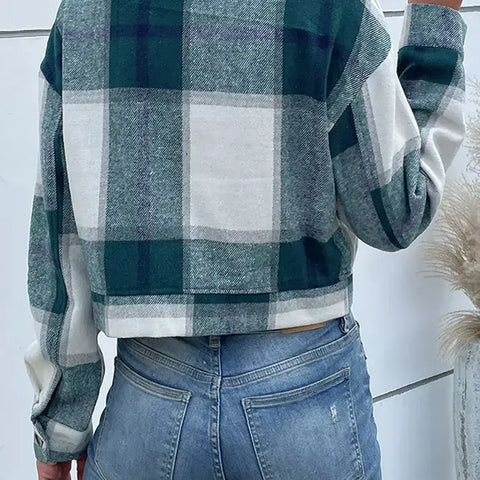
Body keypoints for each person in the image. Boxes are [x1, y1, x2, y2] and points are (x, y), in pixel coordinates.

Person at [24, 0, 467, 478]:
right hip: (302, 397)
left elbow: (59, 236)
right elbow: (396, 214)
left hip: (148, 401)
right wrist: (434, 20)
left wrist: (60, 430)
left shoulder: (84, 11)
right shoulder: (338, 8)